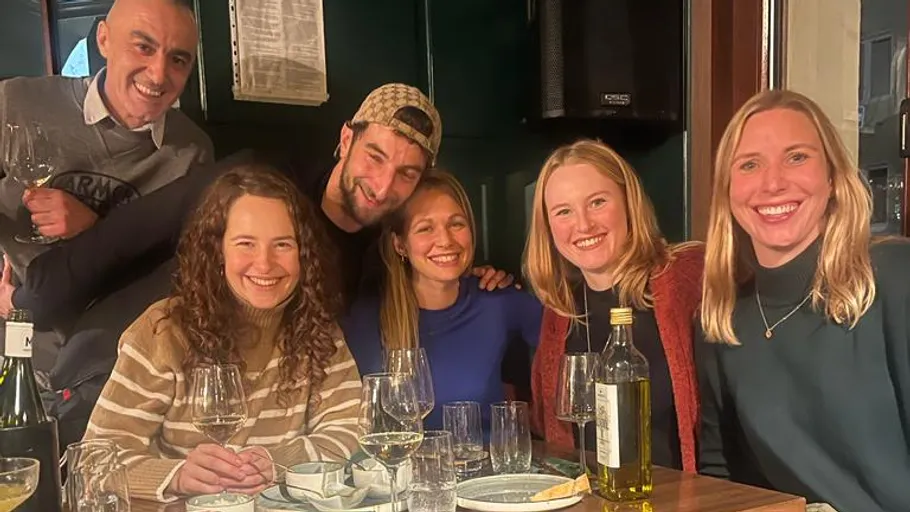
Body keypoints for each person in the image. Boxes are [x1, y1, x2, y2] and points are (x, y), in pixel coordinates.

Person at [1, 83, 512, 327]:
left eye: (407, 173)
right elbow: (131, 233)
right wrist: (30, 299)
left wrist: (480, 277)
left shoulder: (384, 256)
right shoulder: (254, 178)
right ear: (345, 139)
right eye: (375, 156)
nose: (383, 184)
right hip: (120, 367)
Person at [83, 164, 360, 502]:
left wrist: (280, 462)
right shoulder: (164, 332)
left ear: (304, 254)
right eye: (245, 243)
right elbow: (95, 460)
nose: (264, 263)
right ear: (218, 251)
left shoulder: (319, 329)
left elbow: (350, 428)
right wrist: (177, 476)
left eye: (283, 245)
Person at [696, 89, 910, 512]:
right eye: (750, 164)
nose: (773, 183)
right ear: (728, 191)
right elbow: (723, 475)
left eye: (797, 157)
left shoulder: (894, 275)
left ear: (831, 178)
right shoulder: (722, 321)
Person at [523, 139, 703, 472]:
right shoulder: (560, 311)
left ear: (628, 202)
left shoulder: (688, 279)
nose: (583, 225)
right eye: (563, 211)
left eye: (597, 202)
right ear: (547, 228)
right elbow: (548, 429)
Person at [343, 169, 542, 432]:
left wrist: (545, 417)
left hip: (490, 470)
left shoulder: (498, 300)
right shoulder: (365, 319)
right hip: (403, 470)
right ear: (400, 245)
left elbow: (567, 340)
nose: (446, 240)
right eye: (425, 228)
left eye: (456, 224)